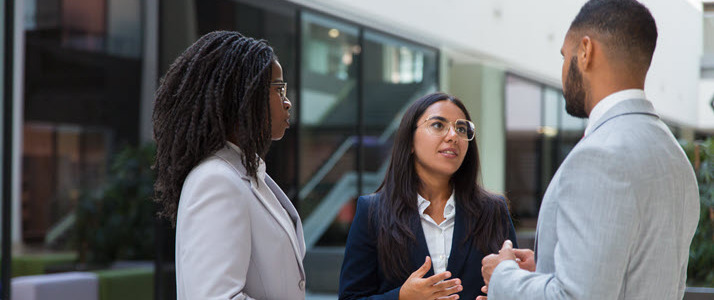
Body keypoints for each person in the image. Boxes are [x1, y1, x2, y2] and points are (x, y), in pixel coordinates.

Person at [479, 1, 700, 299]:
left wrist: (502, 276)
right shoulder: (674, 155)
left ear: (585, 51)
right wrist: (548, 270)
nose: (561, 71)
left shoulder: (599, 156)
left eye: (564, 56)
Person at [152, 31, 305, 299]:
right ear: (244, 96)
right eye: (279, 89)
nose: (288, 101)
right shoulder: (216, 181)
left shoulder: (245, 171)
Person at [339, 92, 518, 300]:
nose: (453, 136)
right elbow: (350, 297)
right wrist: (402, 297)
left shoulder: (493, 210)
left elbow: (514, 286)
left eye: (461, 129)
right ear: (410, 141)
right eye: (438, 125)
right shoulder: (372, 212)